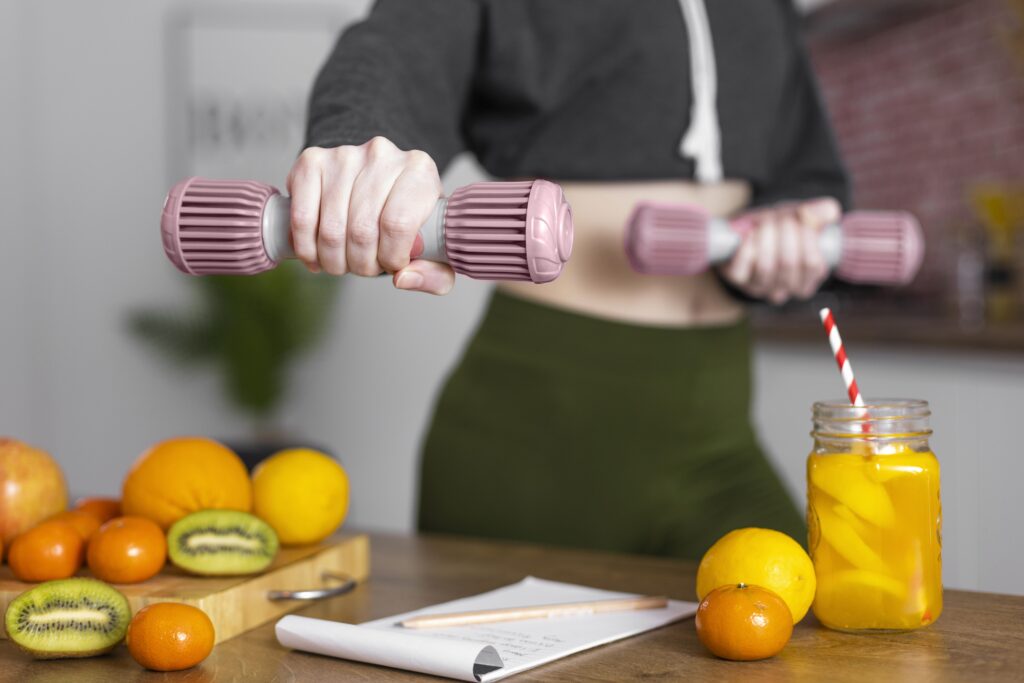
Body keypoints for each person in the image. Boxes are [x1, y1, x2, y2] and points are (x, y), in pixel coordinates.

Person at [288, 0, 849, 559]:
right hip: (540, 423)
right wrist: (360, 150)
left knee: (816, 630)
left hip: (720, 419)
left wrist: (789, 232)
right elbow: (400, 49)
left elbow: (805, 173)